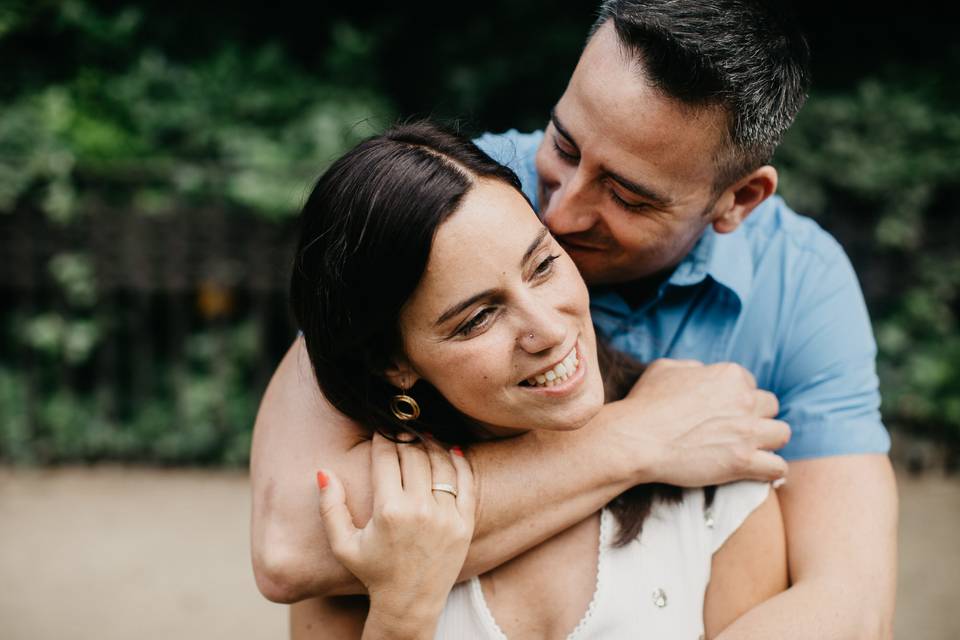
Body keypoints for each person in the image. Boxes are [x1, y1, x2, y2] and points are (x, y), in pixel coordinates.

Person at [251, 1, 898, 637]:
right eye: (564, 143)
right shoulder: (449, 199)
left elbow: (851, 603)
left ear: (738, 199)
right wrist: (637, 438)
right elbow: (290, 546)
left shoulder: (803, 284)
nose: (558, 213)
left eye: (626, 195)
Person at [288, 120, 787, 639]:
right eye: (478, 318)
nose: (549, 329)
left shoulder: (720, 465)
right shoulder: (367, 533)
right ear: (394, 363)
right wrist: (402, 614)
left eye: (543, 264)